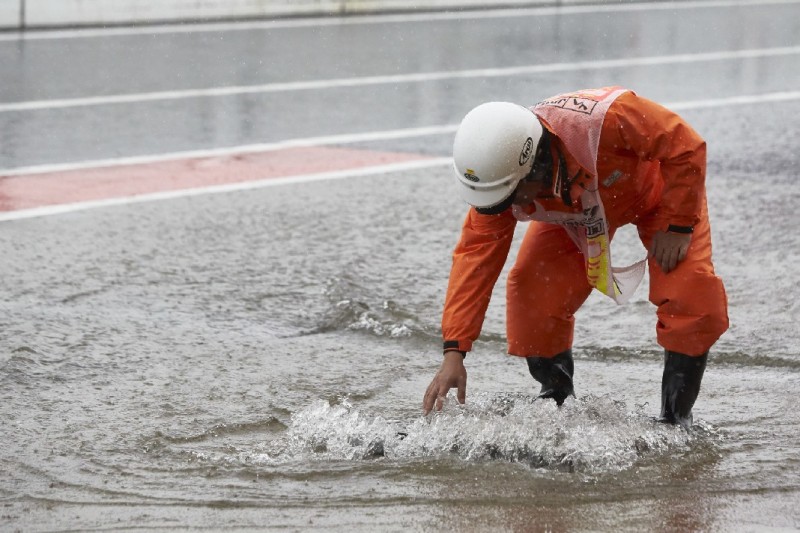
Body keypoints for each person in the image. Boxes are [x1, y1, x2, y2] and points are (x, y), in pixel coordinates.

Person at [422, 86, 729, 428]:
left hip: (661, 201)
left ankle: (676, 420)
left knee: (691, 297)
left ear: (533, 165)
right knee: (532, 292)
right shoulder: (501, 178)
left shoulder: (609, 118)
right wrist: (454, 352)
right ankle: (557, 400)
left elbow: (684, 145)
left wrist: (679, 225)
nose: (507, 208)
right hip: (578, 212)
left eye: (511, 197)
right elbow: (474, 262)